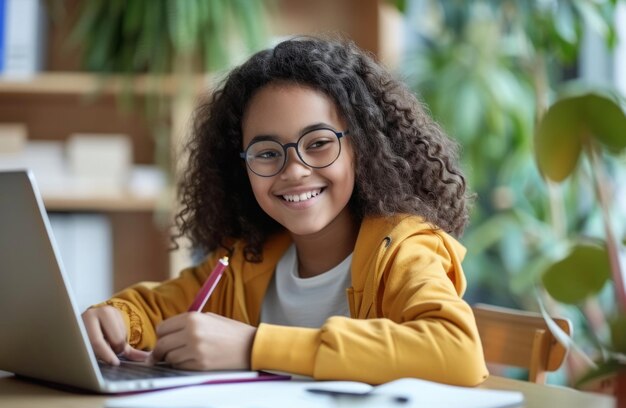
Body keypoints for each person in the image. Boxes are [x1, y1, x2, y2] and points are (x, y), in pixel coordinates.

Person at [82, 36, 488, 386]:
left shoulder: (402, 251)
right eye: (266, 152)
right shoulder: (244, 262)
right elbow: (155, 309)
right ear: (241, 166)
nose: (294, 170)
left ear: (360, 148)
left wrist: (252, 346)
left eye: (318, 143)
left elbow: (457, 350)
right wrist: (115, 321)